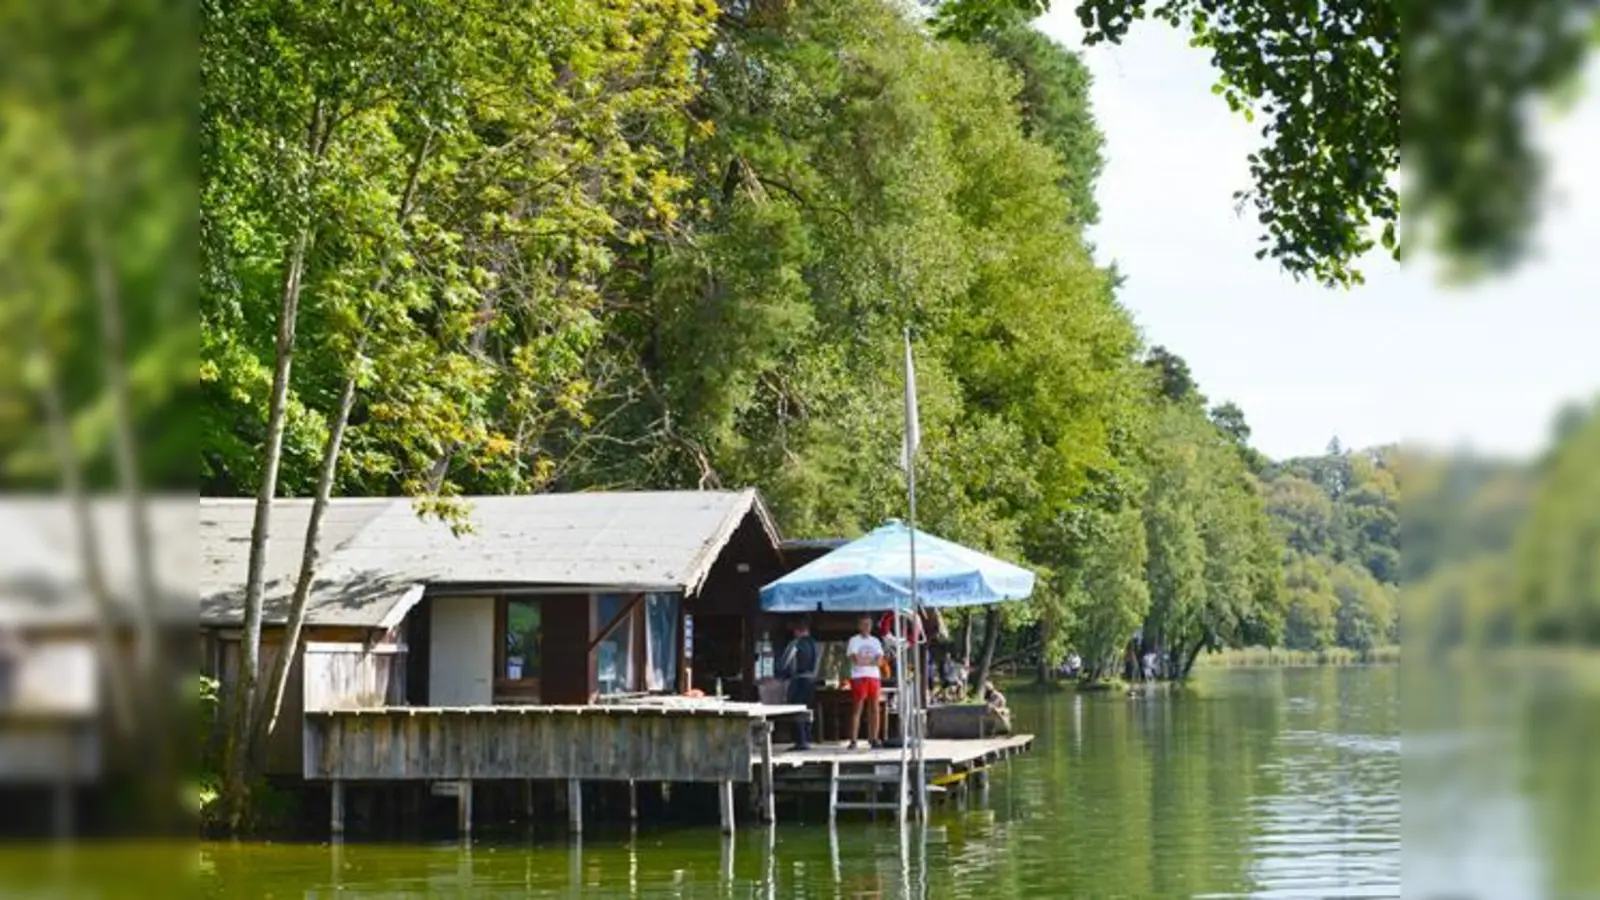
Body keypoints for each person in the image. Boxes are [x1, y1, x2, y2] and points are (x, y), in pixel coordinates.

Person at [776, 617, 820, 750]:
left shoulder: (796, 643)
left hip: (798, 679)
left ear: (797, 630)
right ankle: (807, 737)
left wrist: (780, 674)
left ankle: (800, 741)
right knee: (808, 709)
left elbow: (785, 661)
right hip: (812, 680)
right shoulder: (815, 644)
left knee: (796, 708)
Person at [845, 615, 885, 749]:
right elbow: (856, 660)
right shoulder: (854, 641)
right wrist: (871, 661)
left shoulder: (876, 641)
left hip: (874, 677)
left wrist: (867, 660)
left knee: (875, 708)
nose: (866, 627)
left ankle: (874, 738)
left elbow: (880, 661)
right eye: (864, 624)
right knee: (858, 707)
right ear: (859, 626)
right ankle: (854, 739)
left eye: (868, 624)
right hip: (859, 676)